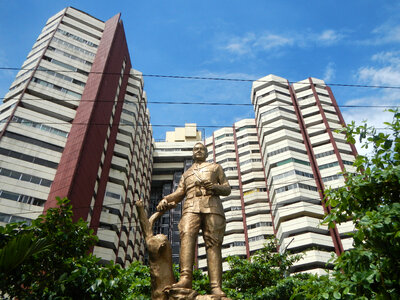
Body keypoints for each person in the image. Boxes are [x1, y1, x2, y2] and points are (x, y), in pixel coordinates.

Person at [157, 142, 231, 297]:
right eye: (196, 149)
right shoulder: (187, 174)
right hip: (191, 207)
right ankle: (185, 278)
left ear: (206, 153)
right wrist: (166, 199)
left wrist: (214, 187)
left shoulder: (215, 168)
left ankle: (216, 287)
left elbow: (227, 189)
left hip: (212, 207)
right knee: (186, 237)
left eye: (201, 149)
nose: (198, 151)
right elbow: (179, 193)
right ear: (192, 153)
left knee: (213, 244)